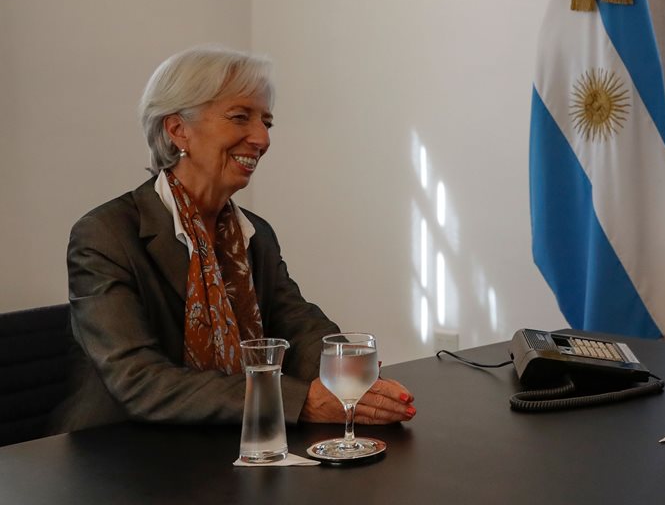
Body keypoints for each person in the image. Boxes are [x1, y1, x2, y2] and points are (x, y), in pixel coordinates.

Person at [55, 47, 416, 430]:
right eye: (240, 117)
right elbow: (139, 381)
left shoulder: (254, 233)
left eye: (267, 122)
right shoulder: (106, 234)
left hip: (224, 443)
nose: (261, 138)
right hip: (116, 456)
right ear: (177, 130)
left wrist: (348, 377)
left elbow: (297, 323)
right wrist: (300, 401)